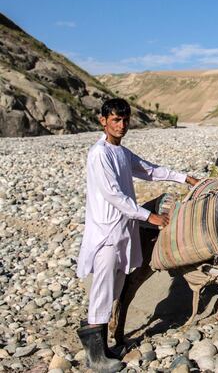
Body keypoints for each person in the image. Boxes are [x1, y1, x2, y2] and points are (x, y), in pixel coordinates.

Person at [76, 98, 198, 372]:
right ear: (103, 121)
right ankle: (95, 356)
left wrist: (183, 178)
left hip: (123, 230)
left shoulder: (122, 153)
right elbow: (113, 195)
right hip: (106, 232)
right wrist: (149, 216)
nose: (121, 125)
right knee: (104, 288)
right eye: (116, 120)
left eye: (125, 120)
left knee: (117, 285)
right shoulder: (99, 154)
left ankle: (103, 346)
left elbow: (150, 170)